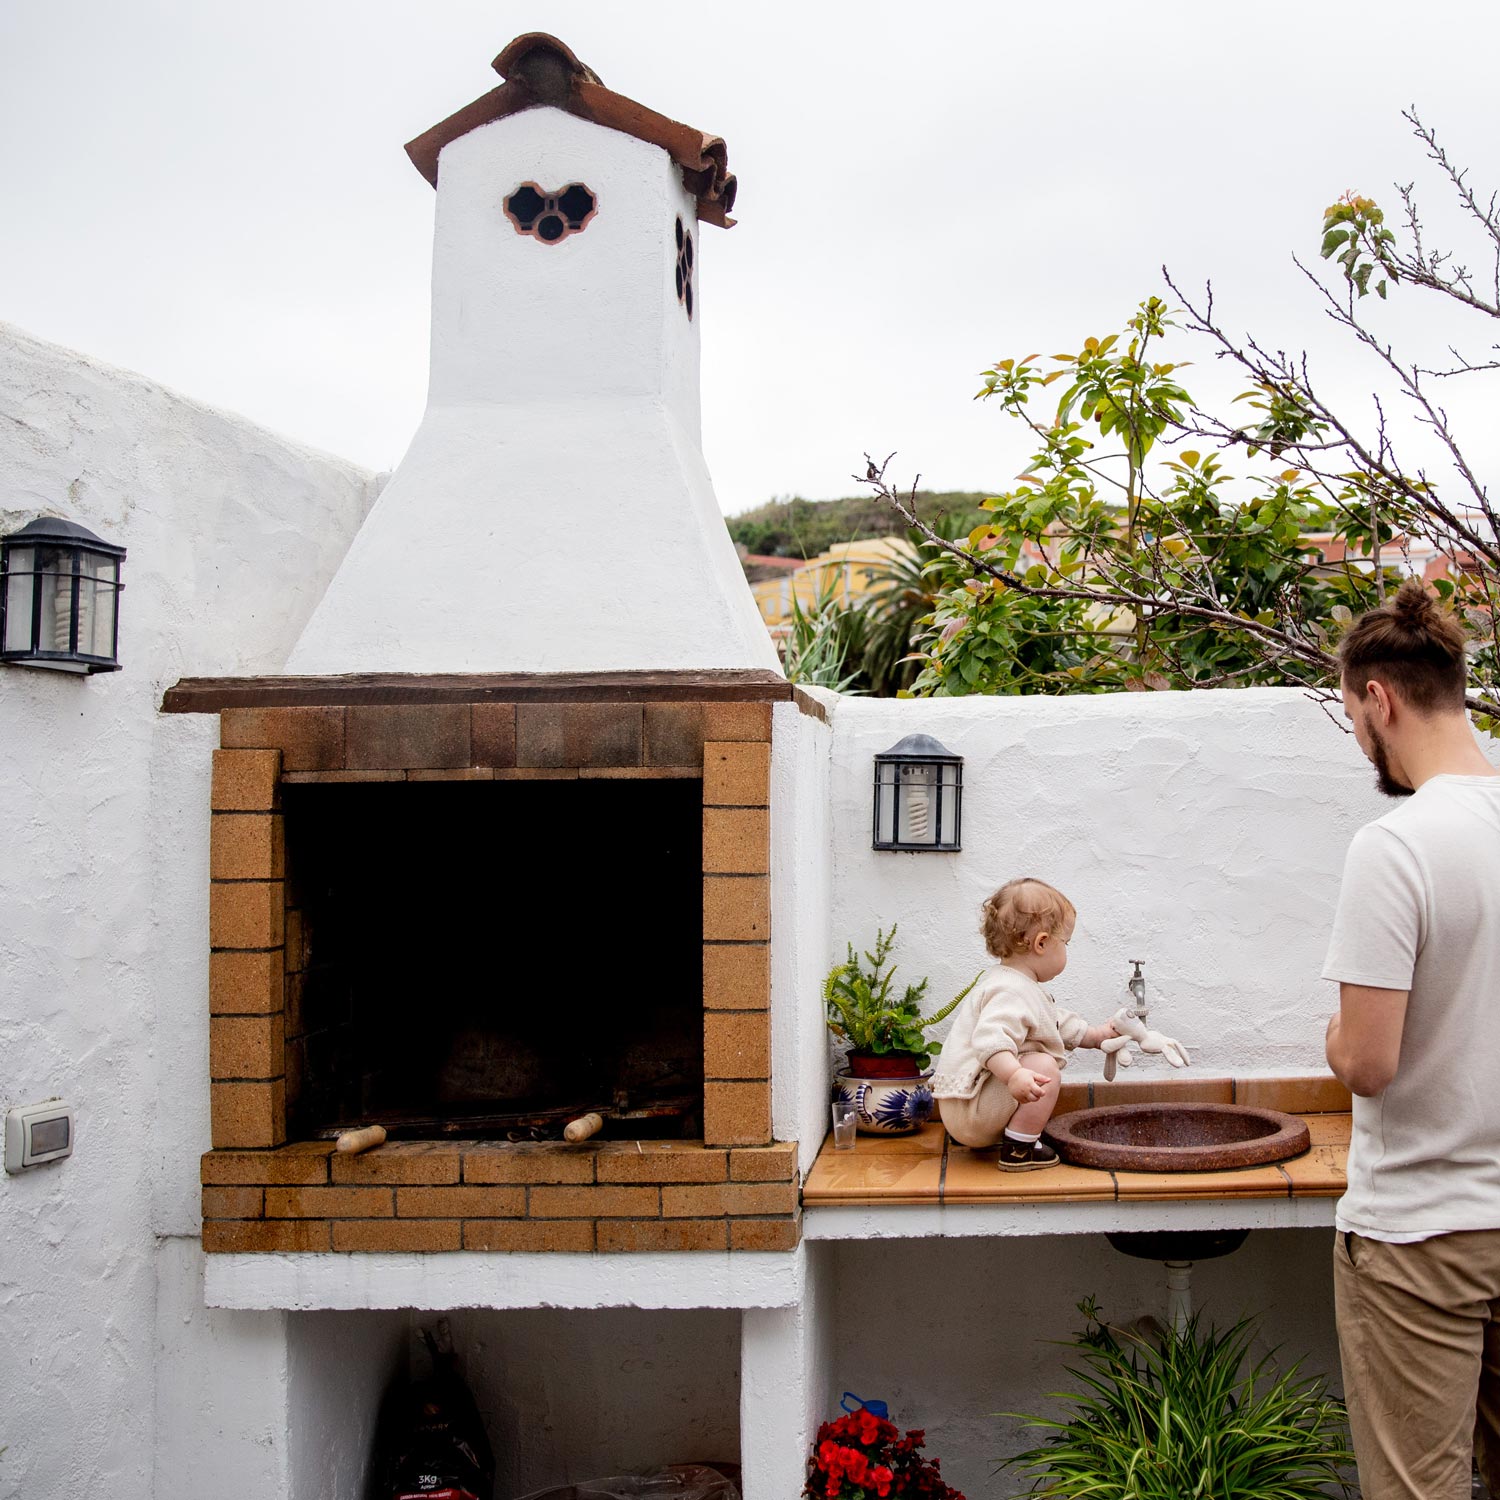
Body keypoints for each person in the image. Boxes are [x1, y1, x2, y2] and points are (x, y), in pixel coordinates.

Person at [1322, 576, 1500, 1499]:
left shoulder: (1395, 846)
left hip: (1422, 1237)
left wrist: (1332, 1036)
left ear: (1379, 699)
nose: (1363, 741)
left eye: (1355, 718)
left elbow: (1369, 1062)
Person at [932, 878, 1125, 1170]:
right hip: (971, 1110)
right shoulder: (1010, 991)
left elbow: (1055, 1022)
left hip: (968, 1106)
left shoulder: (1015, 985)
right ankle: (1020, 1149)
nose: (1066, 951)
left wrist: (1097, 1036)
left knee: (1035, 1063)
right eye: (1066, 943)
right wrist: (1013, 1076)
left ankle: (1009, 1134)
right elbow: (990, 1040)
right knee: (1044, 1069)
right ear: (1042, 943)